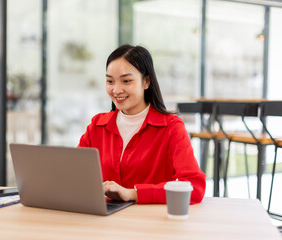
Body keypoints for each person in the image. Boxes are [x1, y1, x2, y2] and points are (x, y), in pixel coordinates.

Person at [78, 45, 206, 204]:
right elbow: (76, 176)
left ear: (146, 82)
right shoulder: (97, 126)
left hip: (150, 222)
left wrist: (133, 193)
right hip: (103, 222)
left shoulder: (171, 128)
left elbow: (194, 187)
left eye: (126, 81)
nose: (116, 90)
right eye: (110, 81)